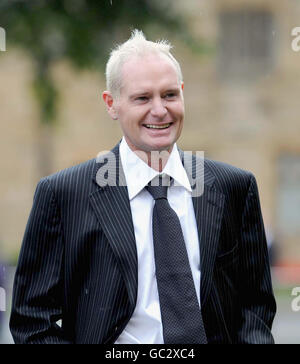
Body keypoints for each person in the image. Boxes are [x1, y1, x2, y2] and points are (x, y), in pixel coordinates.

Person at [10, 30, 276, 344]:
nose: (160, 110)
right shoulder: (64, 195)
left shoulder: (234, 187)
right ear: (112, 104)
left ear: (182, 93)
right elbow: (32, 321)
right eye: (142, 98)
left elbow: (255, 307)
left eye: (169, 95)